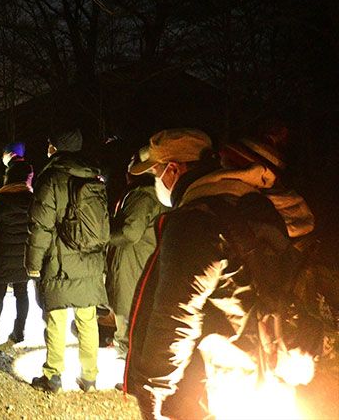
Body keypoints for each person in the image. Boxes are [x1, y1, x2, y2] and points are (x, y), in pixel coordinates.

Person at [124, 128, 310, 419]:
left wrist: (153, 388)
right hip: (266, 369)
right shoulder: (252, 206)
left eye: (156, 173)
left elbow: (177, 314)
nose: (156, 182)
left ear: (173, 170)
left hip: (213, 387)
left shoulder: (195, 222)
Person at [27, 129, 108, 394]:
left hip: (59, 262)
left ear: (56, 148)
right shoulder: (94, 177)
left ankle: (53, 375)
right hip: (90, 262)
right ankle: (90, 377)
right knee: (87, 321)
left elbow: (40, 226)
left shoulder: (51, 178)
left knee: (56, 319)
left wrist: (33, 263)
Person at [105, 147, 169, 361]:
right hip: (142, 261)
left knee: (128, 318)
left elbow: (129, 232)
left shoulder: (142, 196)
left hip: (133, 264)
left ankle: (127, 375)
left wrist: (102, 234)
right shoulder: (155, 195)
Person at [0, 159, 34, 346]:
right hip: (25, 257)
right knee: (22, 293)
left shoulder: (2, 199)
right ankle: (19, 331)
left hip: (2, 256)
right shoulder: (32, 198)